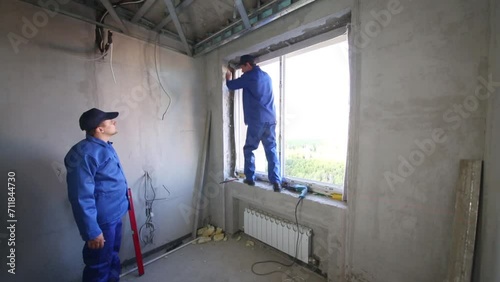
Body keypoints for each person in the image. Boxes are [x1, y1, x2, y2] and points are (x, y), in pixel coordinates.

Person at [64, 108, 129, 282]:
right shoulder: (84, 153)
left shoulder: (105, 147)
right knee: (99, 265)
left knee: (113, 257)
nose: (114, 122)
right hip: (102, 222)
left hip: (115, 215)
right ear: (99, 129)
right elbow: (80, 196)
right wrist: (92, 231)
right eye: (109, 121)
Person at [226, 54, 282, 192]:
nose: (242, 70)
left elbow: (231, 85)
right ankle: (276, 182)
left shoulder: (250, 76)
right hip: (270, 119)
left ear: (248, 65)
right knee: (271, 149)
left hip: (257, 121)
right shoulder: (267, 76)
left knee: (249, 148)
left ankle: (250, 178)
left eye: (242, 67)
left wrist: (228, 78)